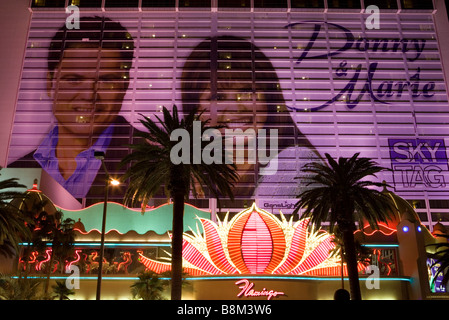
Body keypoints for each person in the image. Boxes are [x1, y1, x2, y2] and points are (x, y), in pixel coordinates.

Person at [8, 16, 136, 205]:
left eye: (106, 81)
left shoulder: (149, 164)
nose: (88, 95)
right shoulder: (18, 171)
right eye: (74, 79)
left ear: (124, 87)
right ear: (51, 82)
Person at [181, 36, 321, 199]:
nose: (235, 109)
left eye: (247, 93)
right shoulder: (188, 167)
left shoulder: (295, 162)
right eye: (218, 97)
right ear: (195, 109)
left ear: (269, 100)